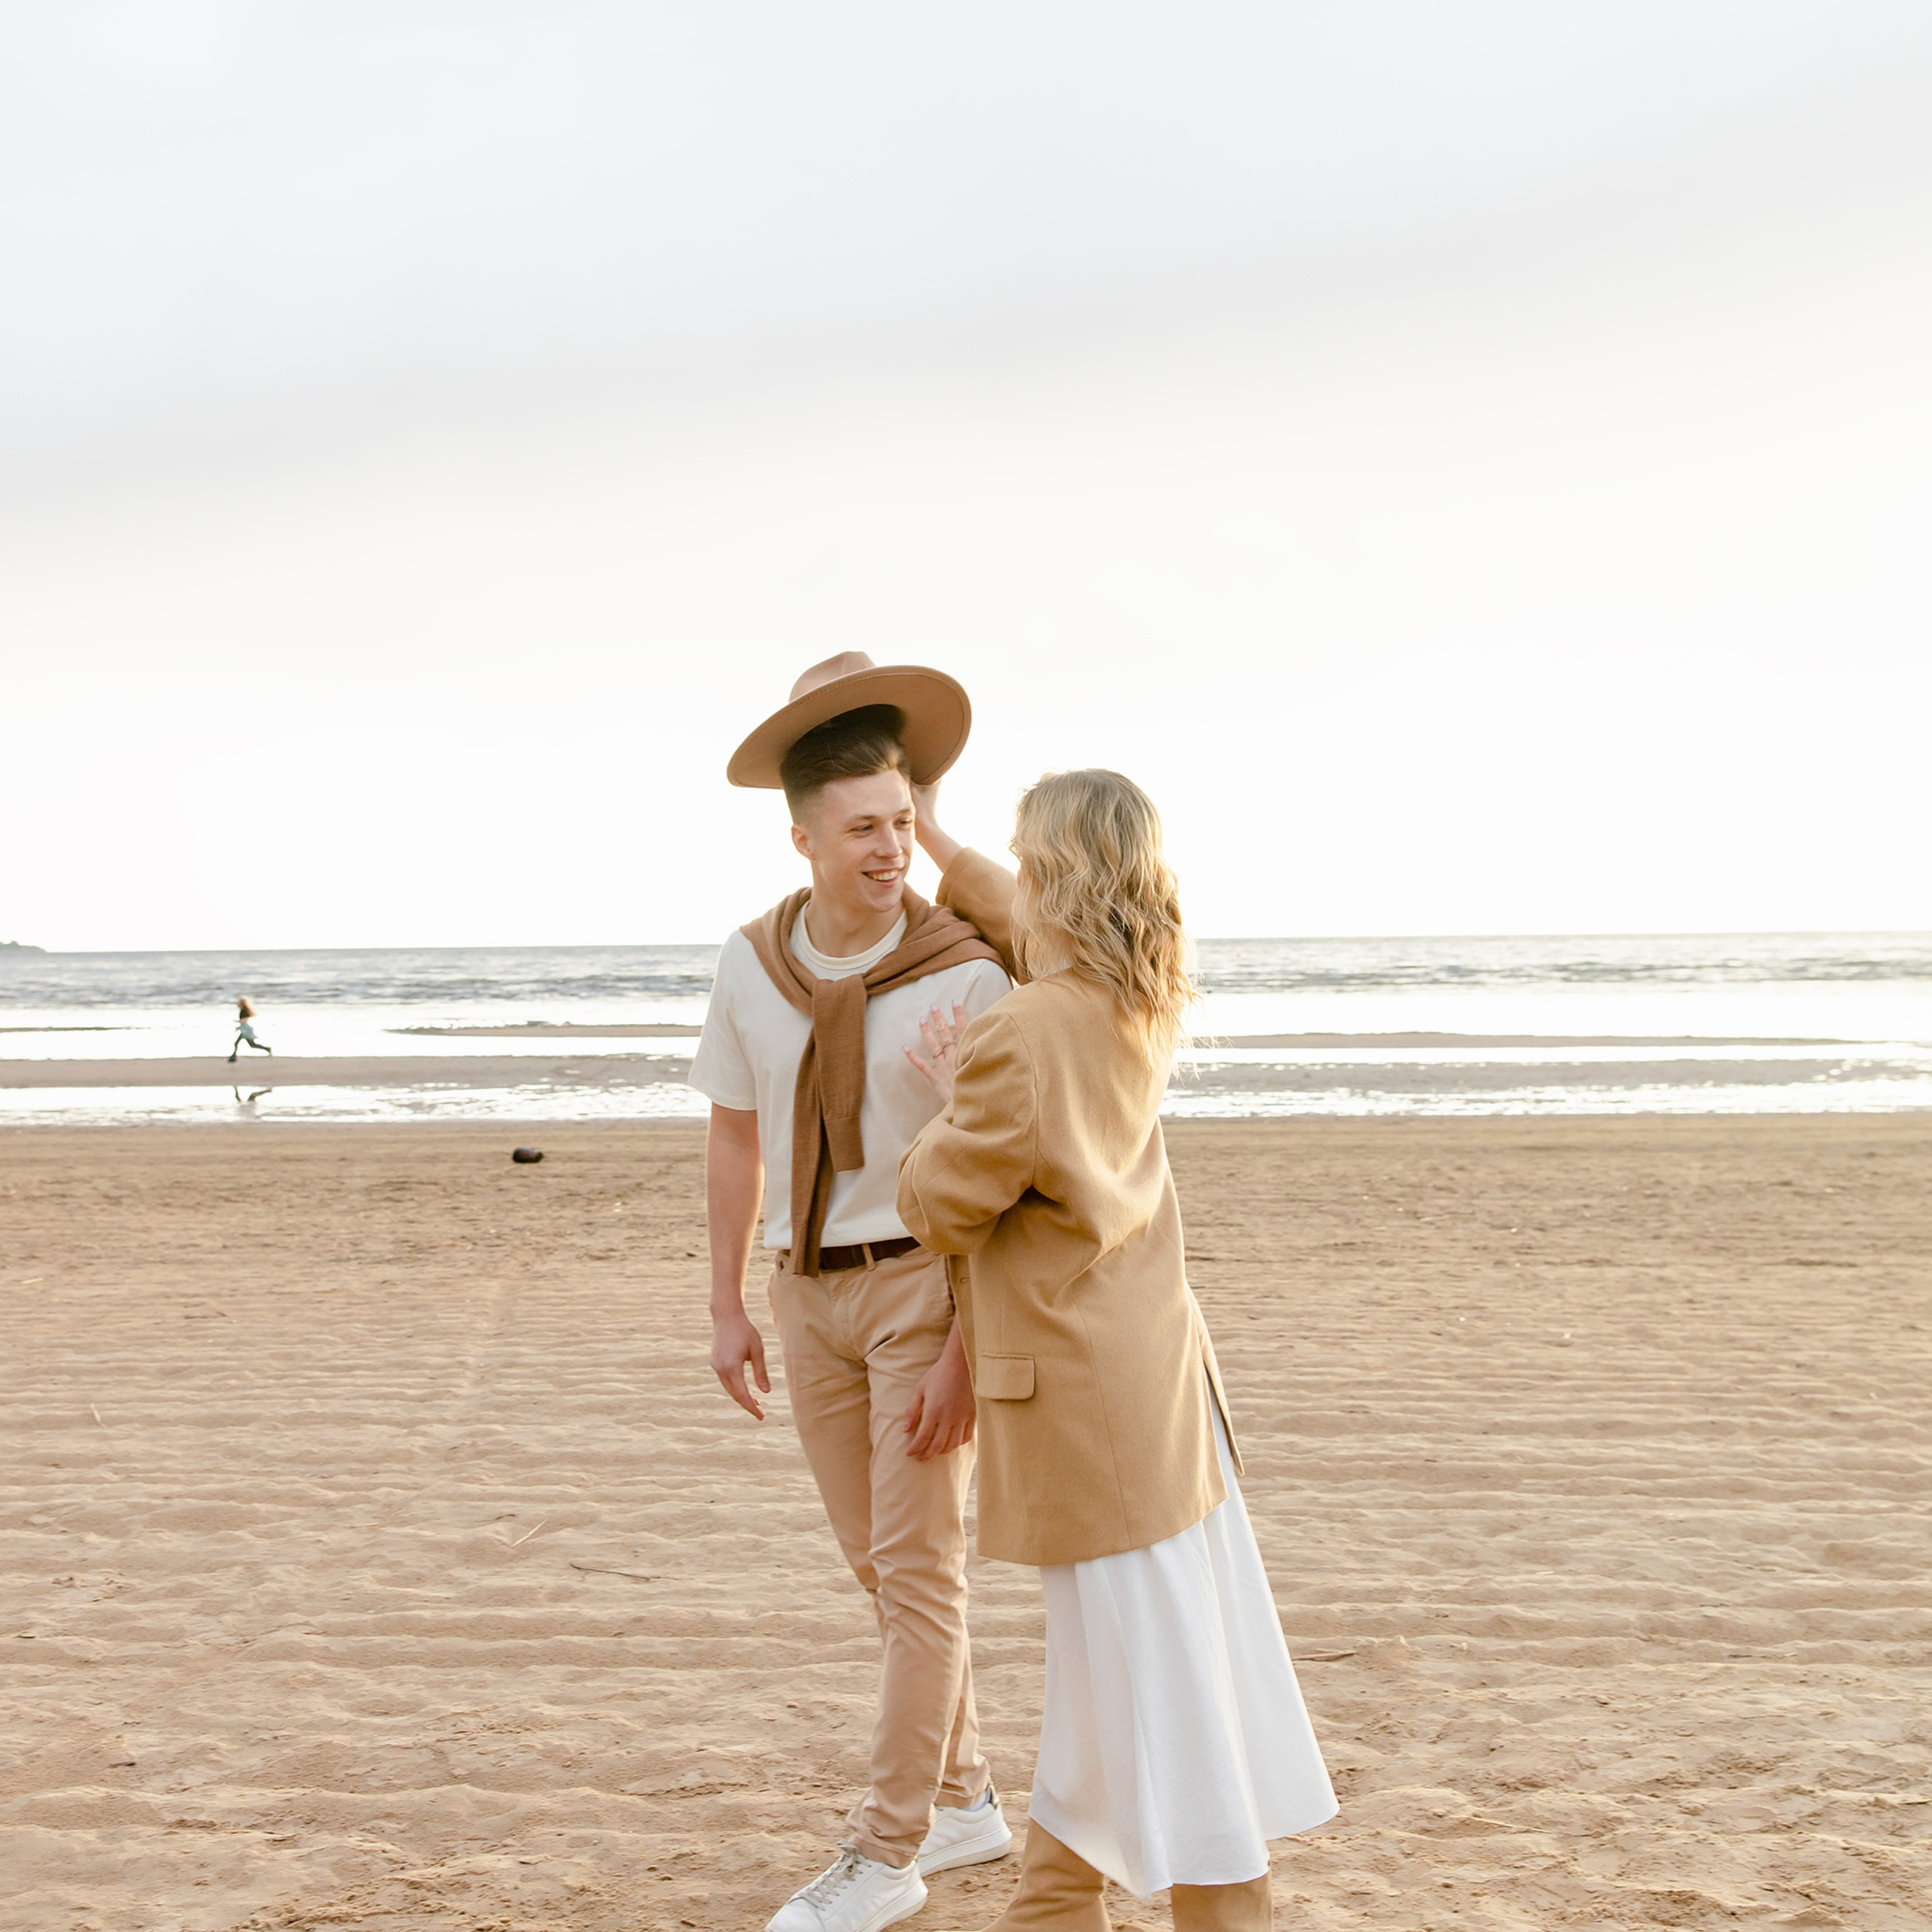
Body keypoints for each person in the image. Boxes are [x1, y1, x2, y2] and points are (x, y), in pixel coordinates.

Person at [898, 768, 1337, 1932]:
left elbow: (940, 1206)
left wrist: (943, 1096)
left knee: (1161, 1692)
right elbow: (1002, 905)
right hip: (1158, 1393)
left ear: (1056, 878)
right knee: (1110, 1684)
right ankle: (1051, 1908)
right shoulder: (1135, 988)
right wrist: (931, 825)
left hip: (1089, 1416)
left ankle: (1217, 1911)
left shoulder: (1019, 1034)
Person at [692, 652, 1026, 1932]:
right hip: (806, 1294)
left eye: (904, 823)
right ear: (804, 836)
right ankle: (967, 1795)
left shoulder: (968, 971)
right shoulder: (752, 963)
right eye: (865, 829)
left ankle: (886, 1852)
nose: (891, 851)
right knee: (877, 1570)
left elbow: (1005, 1185)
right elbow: (736, 1131)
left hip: (925, 1292)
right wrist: (727, 1303)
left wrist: (965, 1350)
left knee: (921, 1568)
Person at [228, 996, 272, 1063]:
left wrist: (238, 1021)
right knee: (252, 1045)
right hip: (244, 1029)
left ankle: (234, 1057)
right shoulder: (243, 1010)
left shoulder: (245, 1011)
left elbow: (245, 1018)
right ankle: (267, 1049)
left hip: (246, 1030)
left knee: (237, 1043)